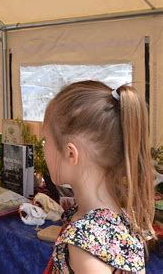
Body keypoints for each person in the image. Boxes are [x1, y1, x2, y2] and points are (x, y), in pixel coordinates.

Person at [42, 80, 155, 273]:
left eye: (46, 140)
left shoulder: (85, 244)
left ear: (71, 154)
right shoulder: (120, 215)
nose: (43, 149)